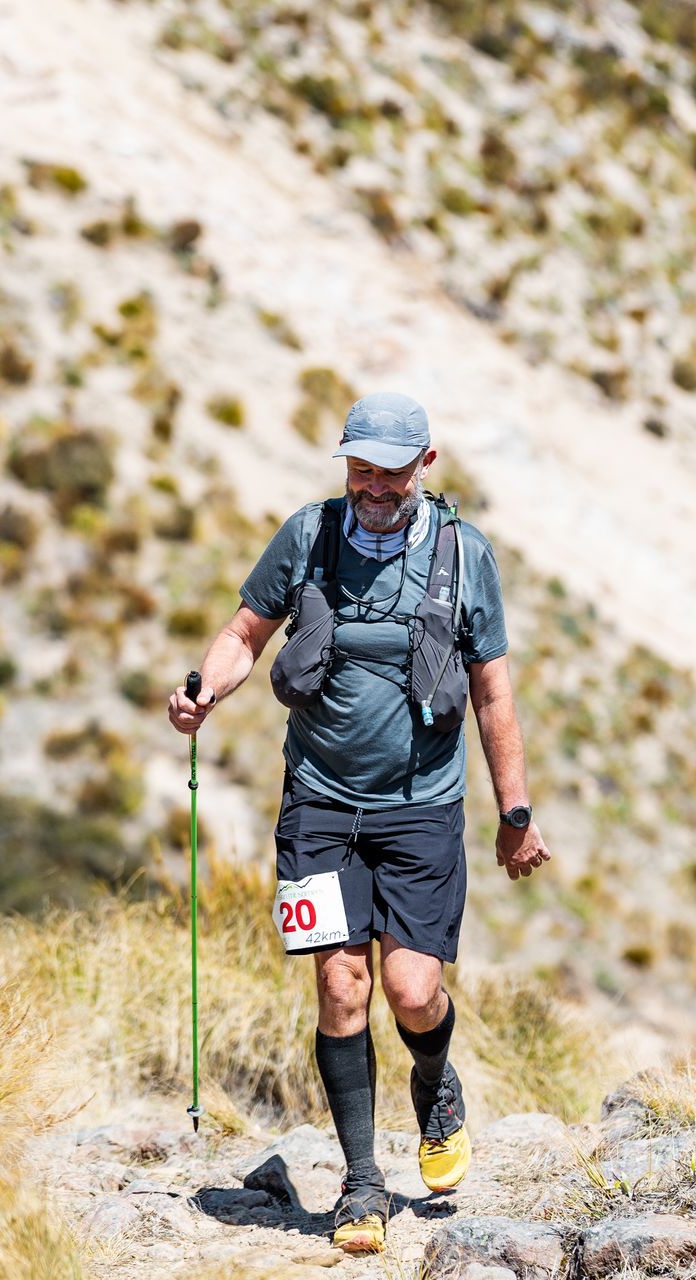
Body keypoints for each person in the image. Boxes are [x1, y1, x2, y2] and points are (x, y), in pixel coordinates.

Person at [167, 391, 551, 1255]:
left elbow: (492, 693)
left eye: (390, 469)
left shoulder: (464, 555)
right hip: (319, 801)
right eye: (360, 467)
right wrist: (203, 688)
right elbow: (244, 633)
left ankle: (434, 1078)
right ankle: (361, 1184)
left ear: (427, 464)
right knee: (342, 985)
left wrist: (514, 811)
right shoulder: (308, 536)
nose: (373, 485)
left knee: (413, 993)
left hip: (422, 806)